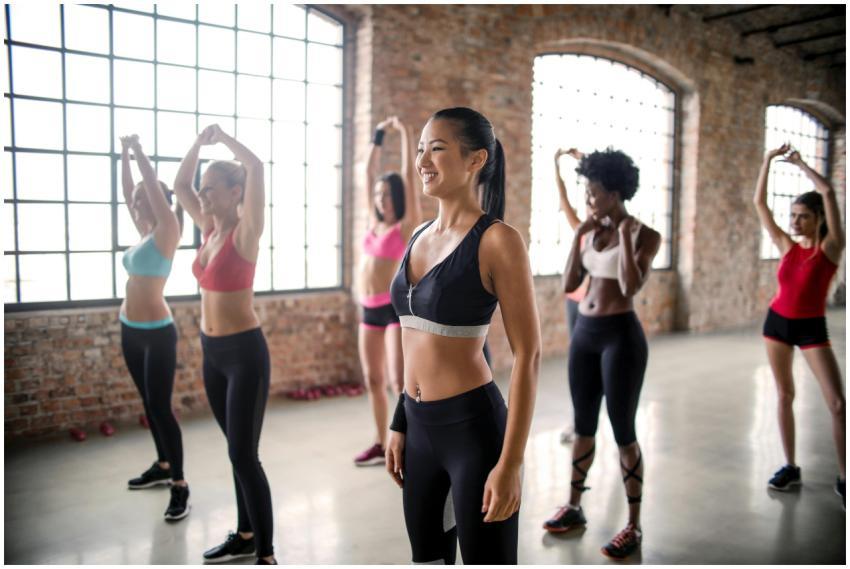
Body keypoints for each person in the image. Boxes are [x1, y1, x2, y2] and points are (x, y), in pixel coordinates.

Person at [385, 107, 541, 564]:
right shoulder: (418, 235)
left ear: (476, 160)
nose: (422, 161)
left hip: (473, 433)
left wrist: (510, 464)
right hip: (418, 429)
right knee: (427, 559)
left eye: (436, 149)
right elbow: (412, 341)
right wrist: (400, 420)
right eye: (420, 150)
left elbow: (529, 356)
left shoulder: (498, 240)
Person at [543, 148, 661, 560]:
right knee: (583, 427)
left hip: (620, 338)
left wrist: (625, 238)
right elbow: (569, 282)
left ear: (614, 193)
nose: (588, 199)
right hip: (585, 336)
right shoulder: (590, 231)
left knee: (624, 431)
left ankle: (633, 525)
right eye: (587, 192)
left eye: (593, 193)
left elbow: (630, 286)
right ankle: (574, 506)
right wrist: (579, 234)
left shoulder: (646, 234)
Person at [174, 125, 276, 564]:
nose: (202, 195)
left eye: (211, 188)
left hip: (244, 355)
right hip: (211, 354)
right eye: (204, 189)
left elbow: (255, 166)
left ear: (236, 193)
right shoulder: (208, 230)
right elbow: (180, 184)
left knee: (243, 453)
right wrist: (197, 145)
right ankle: (246, 534)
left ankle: (265, 554)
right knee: (236, 450)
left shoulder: (246, 233)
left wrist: (223, 139)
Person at [754, 143, 845, 509]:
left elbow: (828, 192)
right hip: (777, 324)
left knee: (837, 404)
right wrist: (767, 160)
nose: (794, 222)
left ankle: (845, 476)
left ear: (819, 219)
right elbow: (759, 204)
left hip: (811, 329)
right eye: (792, 215)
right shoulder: (787, 246)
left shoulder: (831, 248)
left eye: (803, 216)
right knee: (784, 395)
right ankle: (790, 466)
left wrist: (802, 164)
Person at [119, 134, 189, 521]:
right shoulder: (145, 231)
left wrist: (139, 152)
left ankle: (180, 483)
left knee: (161, 407)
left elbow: (145, 186)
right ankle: (163, 465)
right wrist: (123, 154)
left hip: (158, 333)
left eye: (141, 198)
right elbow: (128, 189)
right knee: (149, 403)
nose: (134, 203)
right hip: (129, 328)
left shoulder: (167, 231)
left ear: (155, 199)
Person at [355, 116, 422, 466]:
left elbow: (410, 177)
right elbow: (366, 173)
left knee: (399, 381)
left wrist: (406, 132)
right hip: (368, 308)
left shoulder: (405, 225)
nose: (381, 200)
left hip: (393, 310)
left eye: (386, 194)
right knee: (372, 379)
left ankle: (411, 443)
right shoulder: (373, 222)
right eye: (378, 195)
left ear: (397, 196)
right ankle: (381, 443)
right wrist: (378, 135)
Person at [554, 147, 589, 444]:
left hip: (593, 306)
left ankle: (585, 420)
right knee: (577, 363)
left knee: (588, 365)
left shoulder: (610, 232)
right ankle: (578, 419)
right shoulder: (580, 229)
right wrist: (556, 164)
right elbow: (564, 198)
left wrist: (585, 162)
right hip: (574, 302)